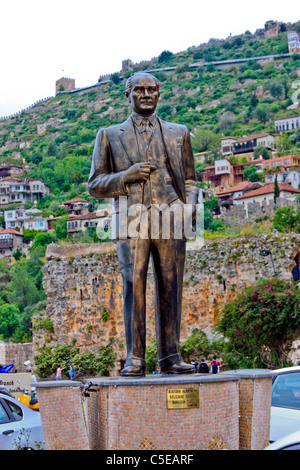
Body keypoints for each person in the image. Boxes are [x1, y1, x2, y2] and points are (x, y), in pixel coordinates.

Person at [88, 72, 198, 376]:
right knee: (133, 284)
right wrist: (127, 176)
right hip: (132, 219)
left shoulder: (179, 133)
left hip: (171, 217)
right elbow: (95, 184)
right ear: (128, 94)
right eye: (140, 90)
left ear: (159, 95)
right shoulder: (108, 135)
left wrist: (190, 206)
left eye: (152, 90)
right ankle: (135, 357)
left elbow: (190, 179)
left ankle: (170, 356)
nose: (146, 94)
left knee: (171, 285)